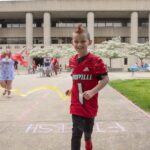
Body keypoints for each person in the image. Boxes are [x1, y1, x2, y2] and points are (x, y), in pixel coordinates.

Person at [66, 24, 109, 150]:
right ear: (72, 43)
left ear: (89, 42)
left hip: (90, 104)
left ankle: (88, 140)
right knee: (76, 134)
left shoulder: (96, 61)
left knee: (87, 132)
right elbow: (76, 80)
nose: (79, 44)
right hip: (76, 104)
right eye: (76, 41)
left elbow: (105, 79)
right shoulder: (72, 60)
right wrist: (71, 90)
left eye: (83, 41)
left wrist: (93, 91)